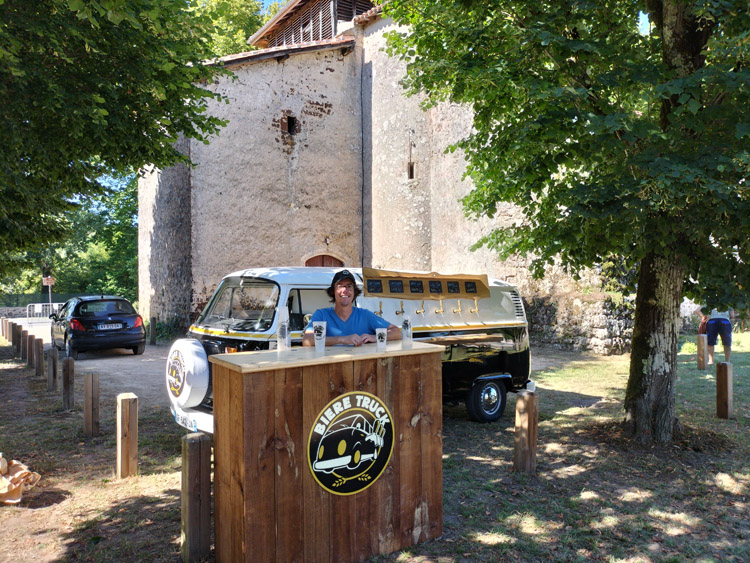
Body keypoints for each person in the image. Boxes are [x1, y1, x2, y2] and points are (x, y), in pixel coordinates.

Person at [302, 269, 401, 347]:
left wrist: (375, 337)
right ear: (333, 291)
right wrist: (341, 339)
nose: (345, 290)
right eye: (340, 286)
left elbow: (396, 332)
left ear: (354, 292)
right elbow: (307, 340)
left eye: (349, 286)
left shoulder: (365, 315)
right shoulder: (321, 315)